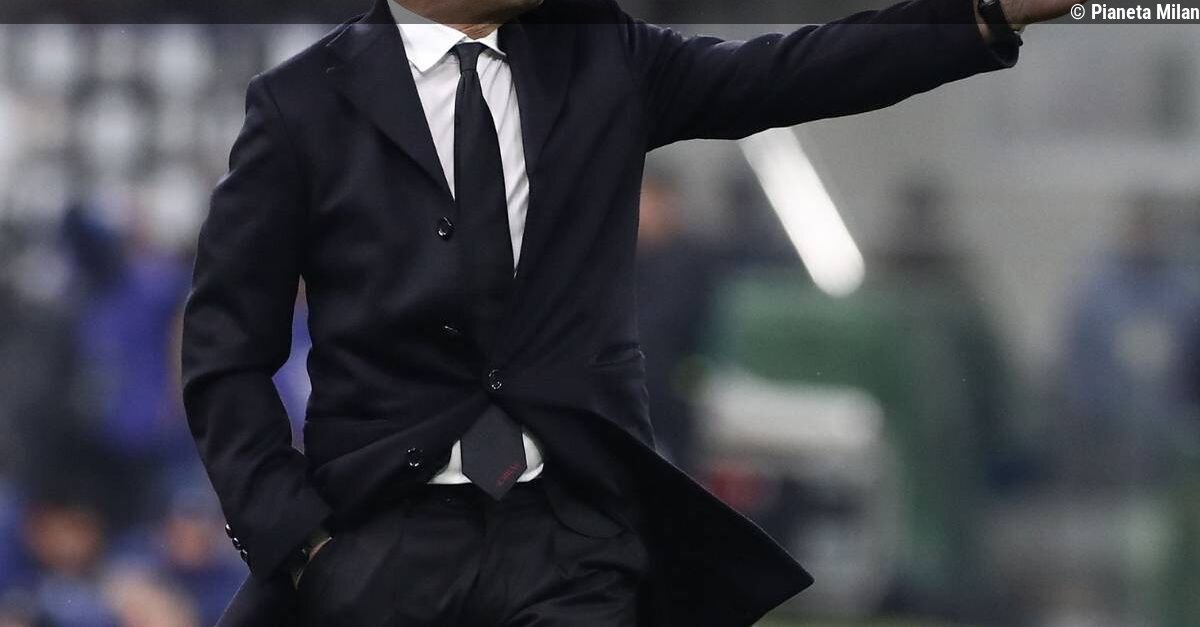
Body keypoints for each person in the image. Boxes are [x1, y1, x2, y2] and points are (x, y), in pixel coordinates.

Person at [180, 0, 1075, 624]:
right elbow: (225, 356)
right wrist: (306, 546)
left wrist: (983, 16)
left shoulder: (601, 54)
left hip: (572, 536)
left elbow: (791, 72)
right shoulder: (300, 107)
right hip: (380, 544)